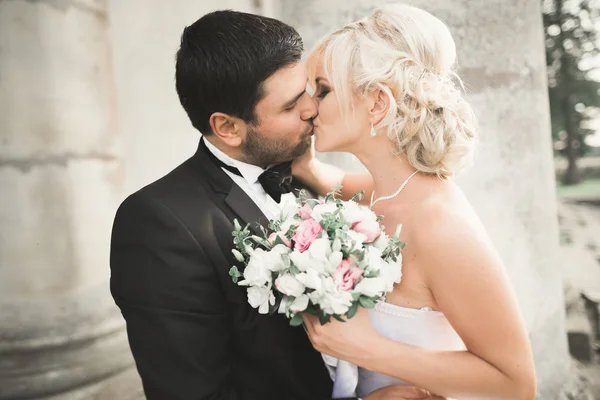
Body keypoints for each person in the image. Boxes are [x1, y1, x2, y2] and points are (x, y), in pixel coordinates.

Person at [109, 9, 433, 400]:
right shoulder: (158, 223)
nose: (312, 109)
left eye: (310, 90)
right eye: (290, 106)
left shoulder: (300, 172)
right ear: (228, 127)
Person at [293, 4, 537, 399]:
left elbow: (516, 384)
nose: (307, 107)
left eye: (322, 89)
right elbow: (332, 180)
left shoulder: (440, 226)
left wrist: (364, 349)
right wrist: (306, 167)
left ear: (377, 103)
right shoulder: (383, 193)